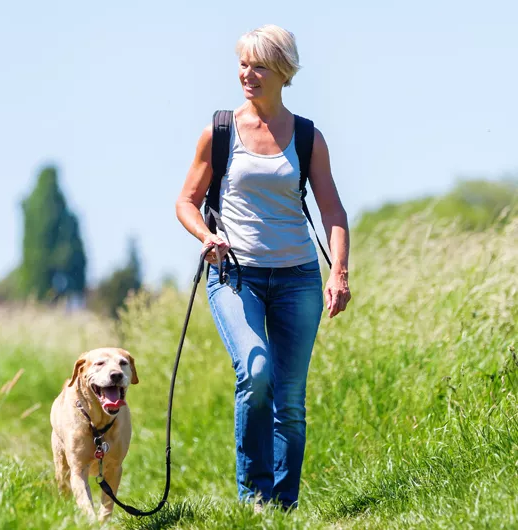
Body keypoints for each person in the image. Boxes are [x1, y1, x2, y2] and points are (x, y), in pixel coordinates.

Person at [175, 24, 351, 511]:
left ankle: (282, 508)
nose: (247, 74)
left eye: (258, 65)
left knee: (289, 403)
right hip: (236, 276)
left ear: (283, 71)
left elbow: (333, 211)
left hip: (297, 277)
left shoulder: (308, 136)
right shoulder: (220, 130)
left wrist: (338, 270)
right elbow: (186, 202)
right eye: (243, 64)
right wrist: (207, 236)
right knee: (255, 373)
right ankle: (253, 498)